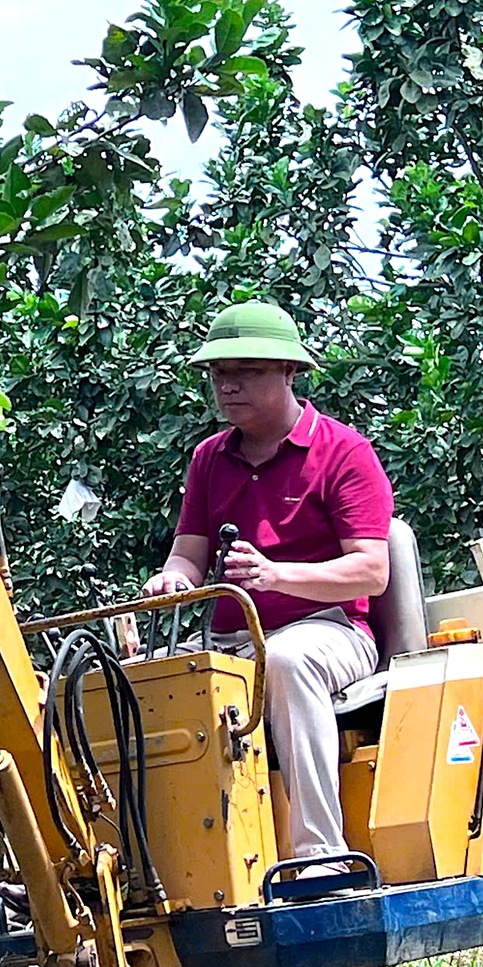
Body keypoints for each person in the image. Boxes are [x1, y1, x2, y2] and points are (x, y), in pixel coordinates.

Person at [142, 301, 393, 863]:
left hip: (330, 632)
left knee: (285, 661)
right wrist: (171, 580)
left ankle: (320, 854)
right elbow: (188, 555)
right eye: (219, 374)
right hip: (232, 639)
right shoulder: (209, 458)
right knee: (142, 681)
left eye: (247, 371)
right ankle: (173, 862)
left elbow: (372, 573)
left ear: (289, 372)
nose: (228, 386)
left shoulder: (344, 452)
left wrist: (278, 576)